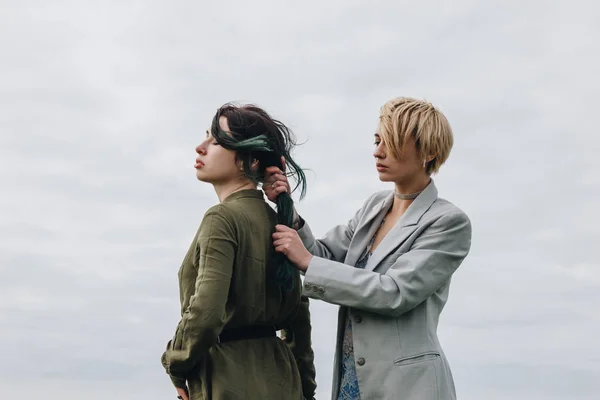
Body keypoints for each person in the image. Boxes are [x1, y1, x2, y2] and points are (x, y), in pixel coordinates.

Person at [264, 97, 472, 400]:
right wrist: (290, 211)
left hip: (408, 388)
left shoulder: (448, 222)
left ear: (428, 151)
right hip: (352, 379)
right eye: (377, 140)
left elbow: (394, 292)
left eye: (391, 142)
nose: (378, 151)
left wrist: (307, 261)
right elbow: (325, 256)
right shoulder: (374, 207)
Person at [161, 103, 317, 400]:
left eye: (217, 141)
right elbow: (300, 326)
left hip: (227, 380)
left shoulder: (221, 219)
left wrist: (176, 363)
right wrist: (306, 391)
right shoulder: (280, 225)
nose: (201, 147)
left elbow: (206, 314)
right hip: (283, 381)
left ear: (252, 161)